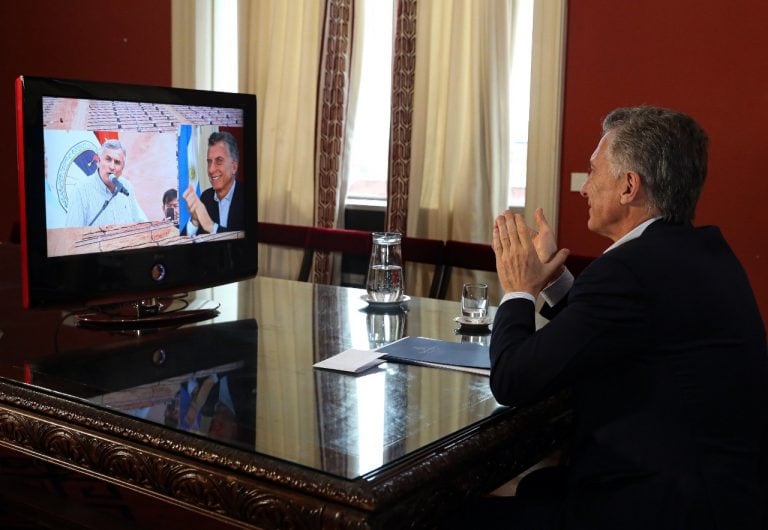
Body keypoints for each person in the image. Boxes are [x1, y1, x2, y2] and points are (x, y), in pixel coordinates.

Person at [466, 106, 767, 529]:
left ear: (629, 186)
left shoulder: (629, 271)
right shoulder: (700, 251)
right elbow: (605, 329)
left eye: (592, 171)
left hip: (661, 505)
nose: (583, 187)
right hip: (723, 491)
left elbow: (513, 379)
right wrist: (550, 277)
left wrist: (519, 288)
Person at [64, 139, 148, 227]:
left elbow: (138, 220)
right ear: (98, 162)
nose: (112, 167)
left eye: (117, 162)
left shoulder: (126, 186)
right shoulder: (81, 190)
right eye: (108, 159)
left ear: (122, 168)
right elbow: (72, 234)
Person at [182, 131, 245, 236]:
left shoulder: (247, 198)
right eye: (209, 162)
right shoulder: (206, 198)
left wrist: (211, 226)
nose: (211, 170)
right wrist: (194, 221)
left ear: (234, 167)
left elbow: (244, 245)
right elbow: (184, 247)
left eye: (219, 161)